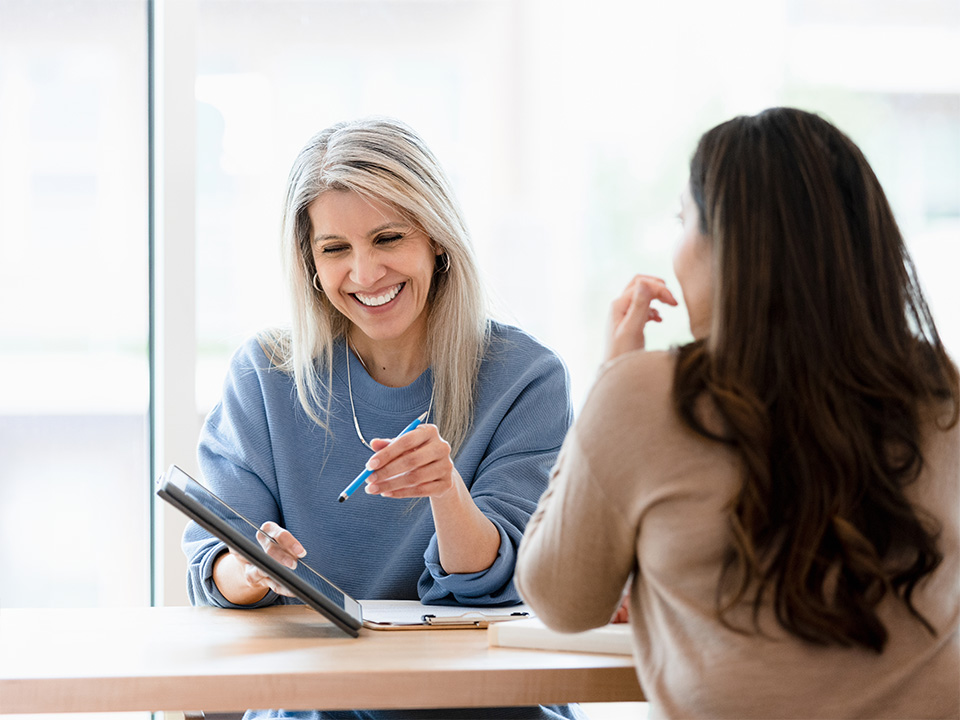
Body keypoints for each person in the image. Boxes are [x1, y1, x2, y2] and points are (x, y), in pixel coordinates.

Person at [515, 107, 959, 718]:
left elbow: (561, 602)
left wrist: (609, 383)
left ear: (728, 242)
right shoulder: (942, 391)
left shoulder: (646, 394)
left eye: (683, 219)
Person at [184, 117, 583, 720]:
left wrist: (447, 491)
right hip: (315, 709)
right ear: (310, 265)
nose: (366, 274)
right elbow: (210, 570)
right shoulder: (265, 375)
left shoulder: (526, 378)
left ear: (437, 240)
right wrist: (250, 567)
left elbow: (507, 586)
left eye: (389, 238)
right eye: (336, 249)